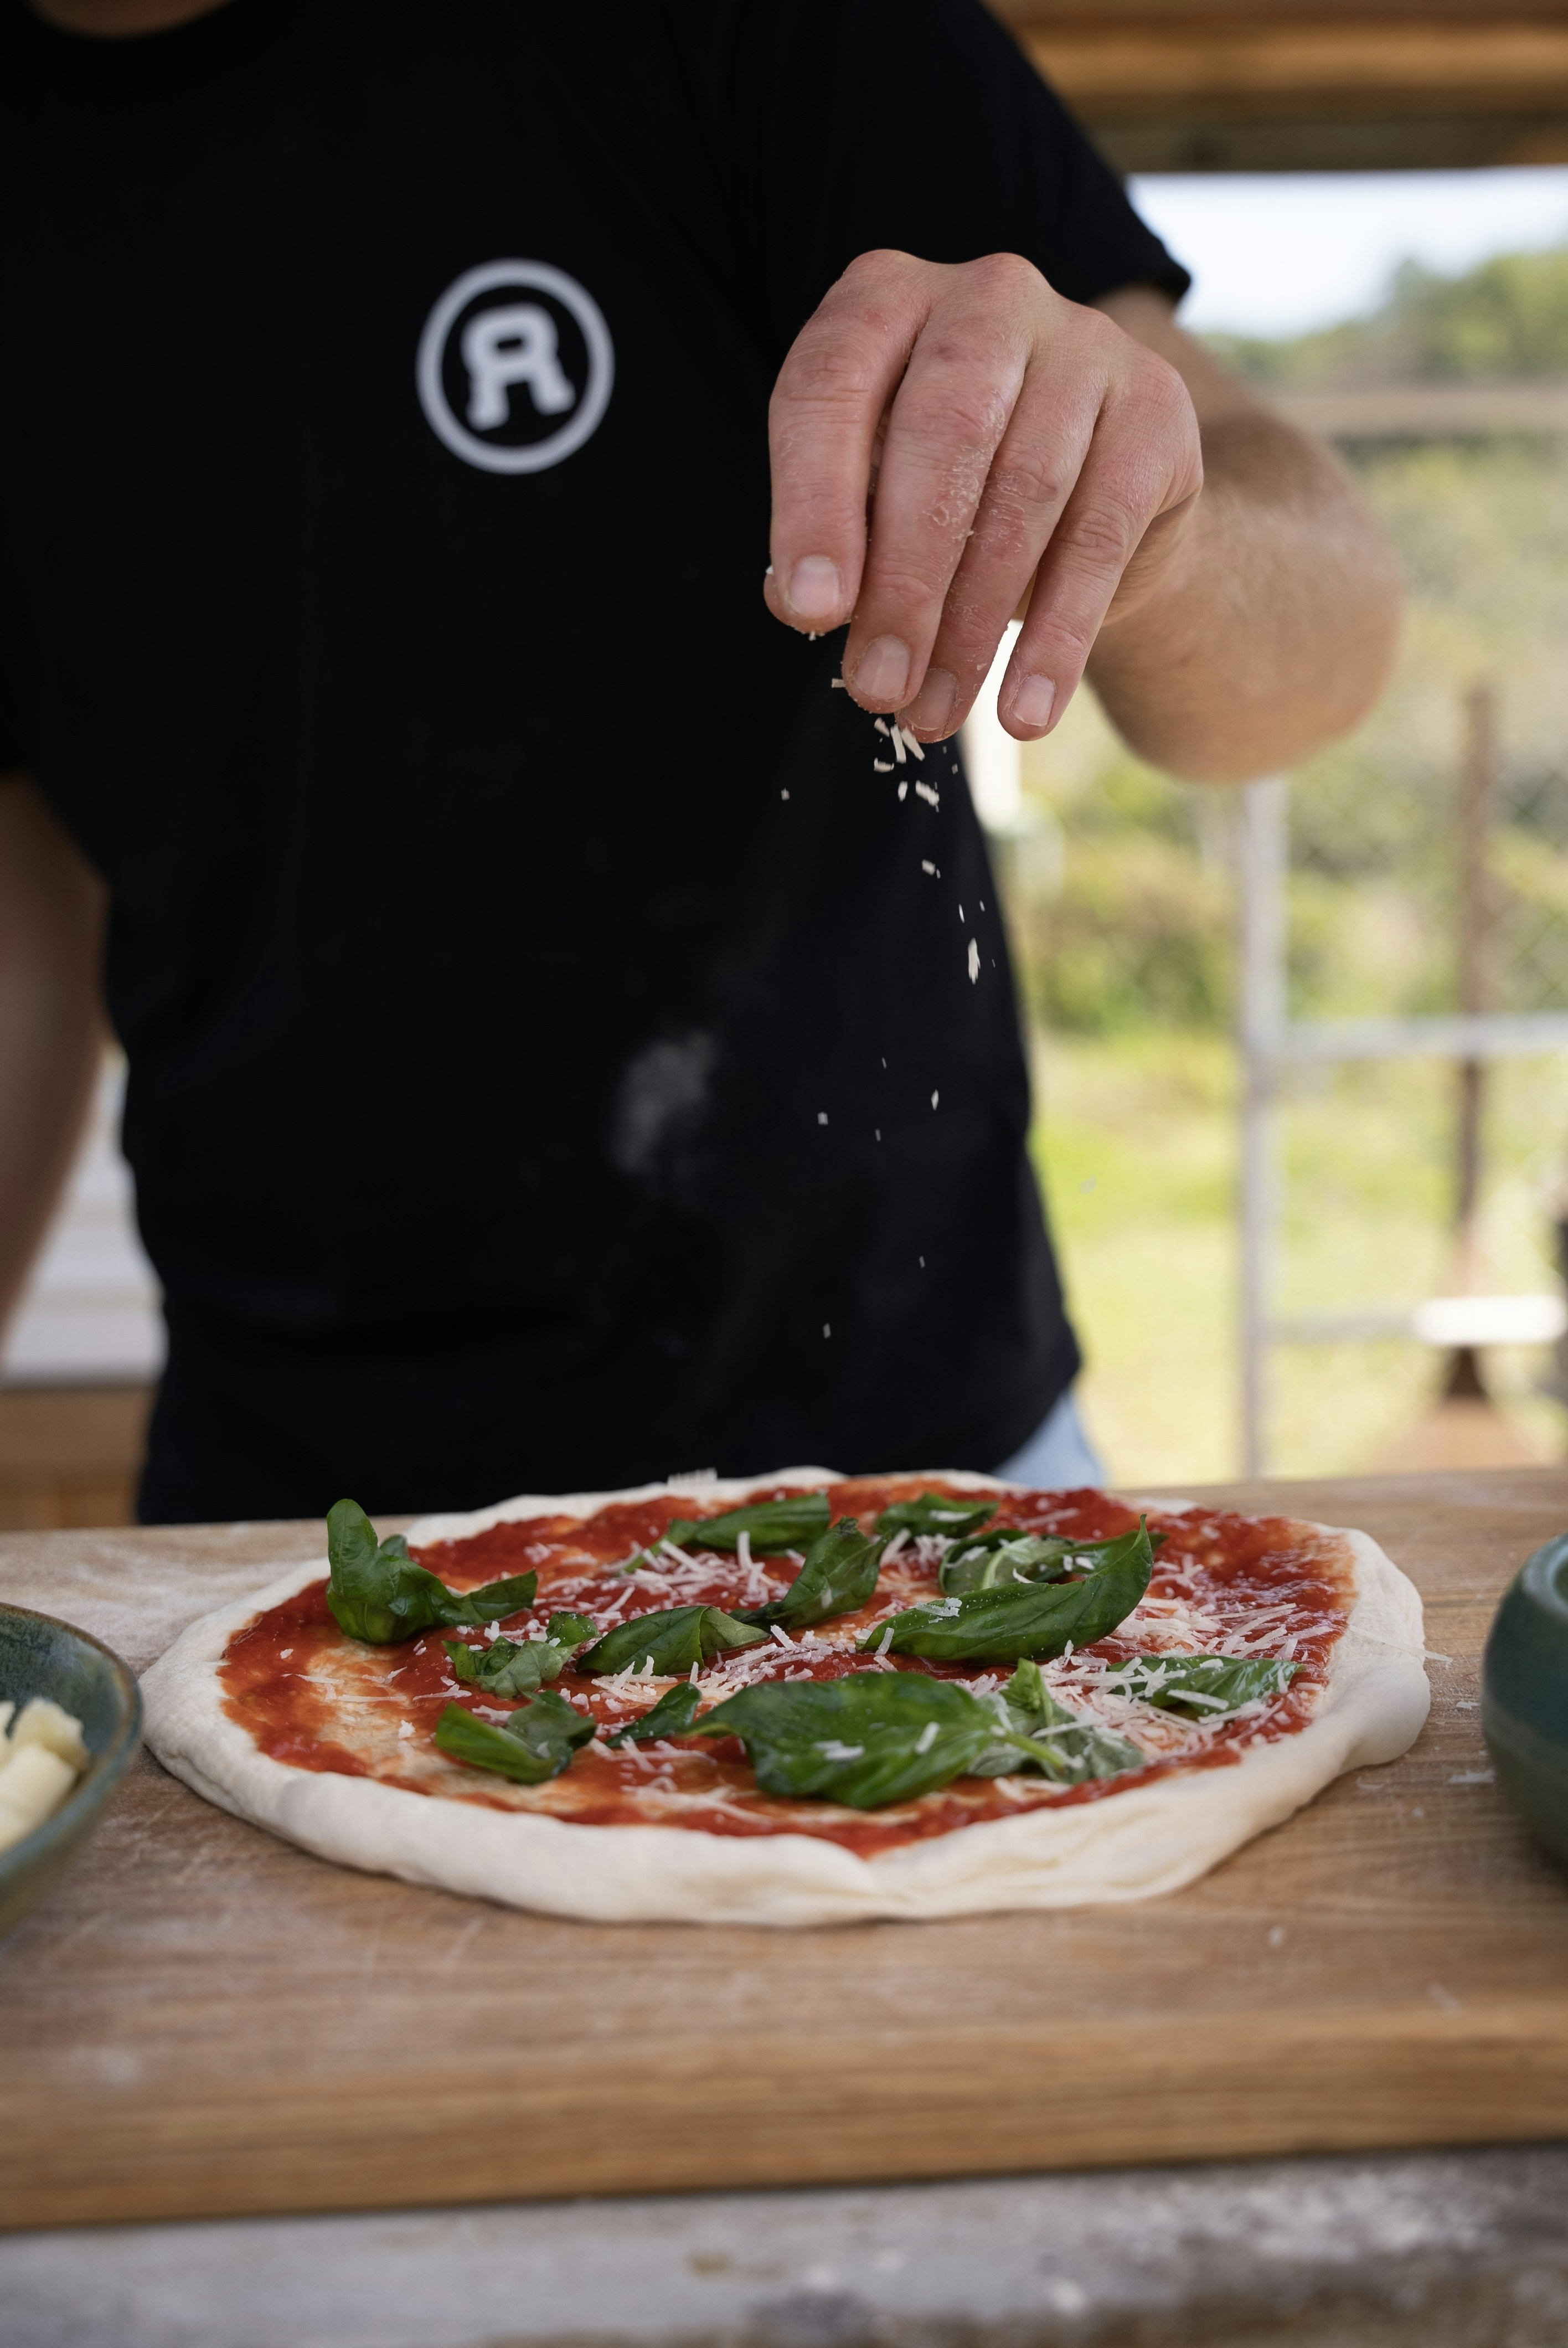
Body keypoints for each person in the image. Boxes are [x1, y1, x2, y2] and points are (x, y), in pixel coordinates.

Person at [0, 0, 1399, 1521]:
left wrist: (1150, 537)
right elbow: (20, 927)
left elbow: (1326, 644)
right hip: (291, 1516)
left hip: (909, 1470)